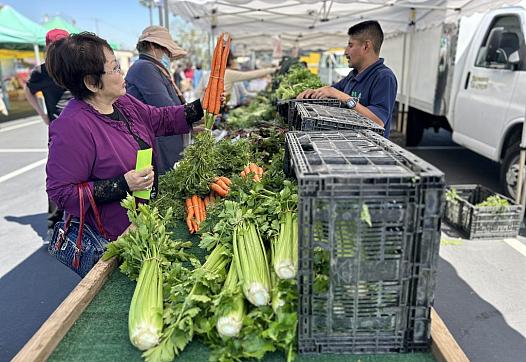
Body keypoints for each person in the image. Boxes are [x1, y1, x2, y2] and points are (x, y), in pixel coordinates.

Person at [45, 32, 204, 241]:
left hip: (145, 221)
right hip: (114, 239)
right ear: (92, 82)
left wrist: (202, 106)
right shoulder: (72, 126)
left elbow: (159, 118)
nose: (122, 73)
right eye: (115, 68)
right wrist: (122, 184)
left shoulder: (123, 102)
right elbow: (62, 193)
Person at [298, 20, 397, 138]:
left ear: (366, 46)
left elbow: (378, 121)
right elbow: (331, 91)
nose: (345, 52)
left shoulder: (384, 77)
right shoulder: (353, 75)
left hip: (370, 151)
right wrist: (311, 93)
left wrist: (342, 97)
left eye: (350, 45)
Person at [24, 28, 72, 234]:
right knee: (57, 177)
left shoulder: (76, 66)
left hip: (83, 128)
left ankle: (80, 221)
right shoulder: (41, 71)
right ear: (47, 48)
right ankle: (54, 224)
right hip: (59, 132)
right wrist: (41, 114)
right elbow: (28, 89)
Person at [125, 26, 191, 175]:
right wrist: (198, 110)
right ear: (152, 46)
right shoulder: (144, 68)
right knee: (166, 186)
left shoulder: (153, 68)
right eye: (166, 50)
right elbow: (166, 109)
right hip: (159, 145)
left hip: (166, 141)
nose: (168, 55)